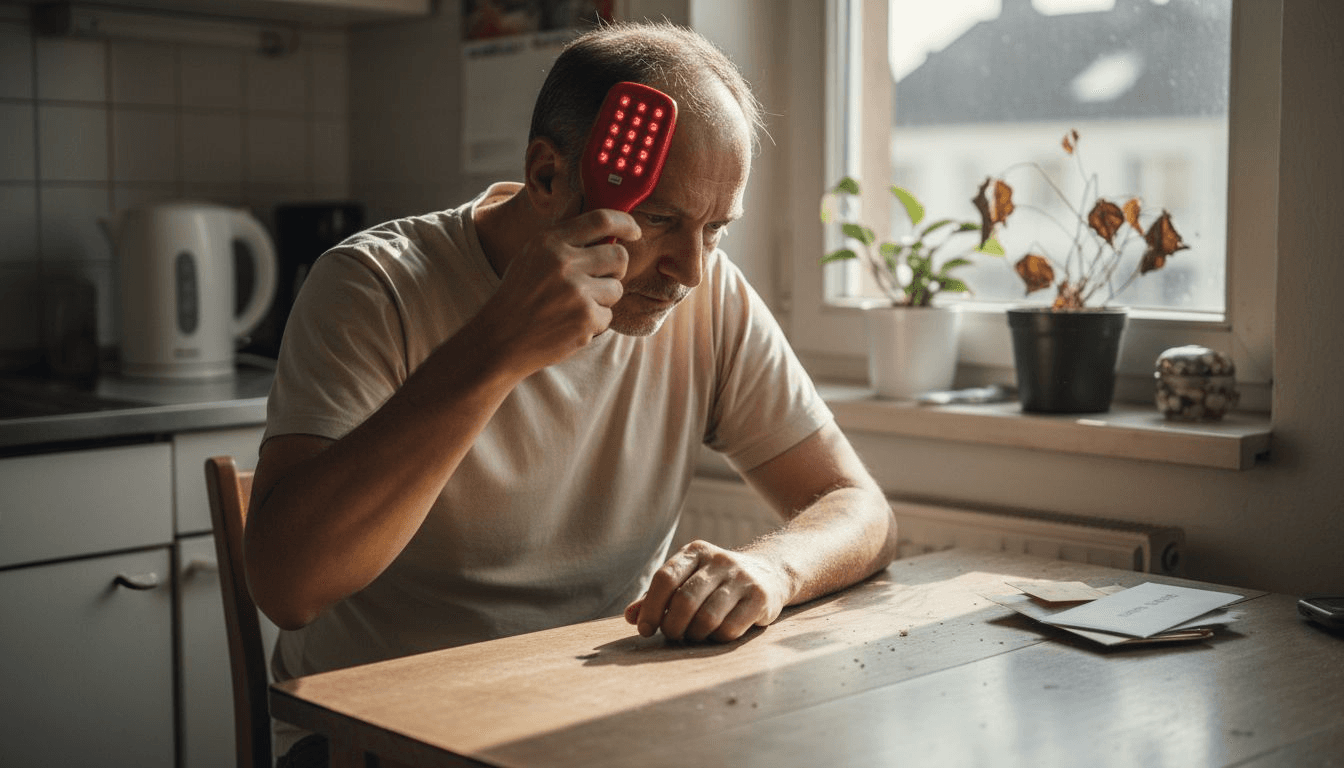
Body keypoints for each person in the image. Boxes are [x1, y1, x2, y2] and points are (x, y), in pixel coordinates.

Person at [245, 20, 898, 767]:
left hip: (593, 720)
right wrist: (496, 349)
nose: (689, 269)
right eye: (659, 219)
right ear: (548, 176)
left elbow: (860, 507)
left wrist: (776, 569)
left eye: (716, 228)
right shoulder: (373, 286)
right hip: (371, 737)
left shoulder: (709, 294)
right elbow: (288, 586)